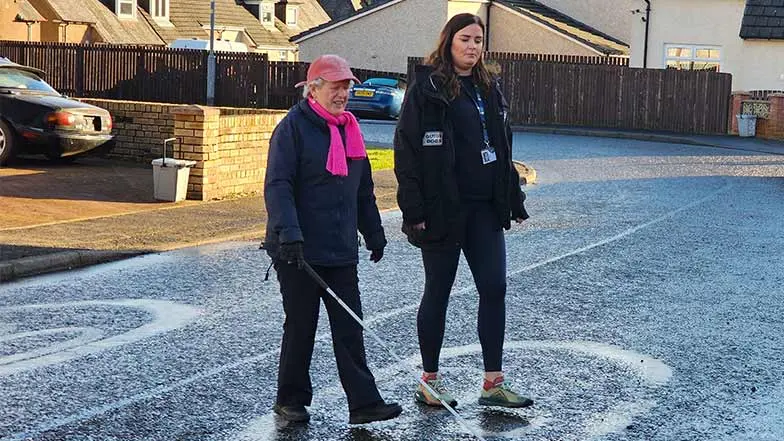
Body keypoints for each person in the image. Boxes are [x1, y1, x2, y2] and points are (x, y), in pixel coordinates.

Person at [393, 13, 532, 409]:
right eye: (465, 39)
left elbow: (501, 147)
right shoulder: (429, 88)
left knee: (494, 288)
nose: (472, 46)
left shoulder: (489, 87)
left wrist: (513, 198)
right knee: (438, 292)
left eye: (478, 40)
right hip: (442, 210)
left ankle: (493, 383)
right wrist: (414, 208)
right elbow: (406, 148)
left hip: (485, 209)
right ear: (449, 42)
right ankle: (430, 381)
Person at [263, 54, 402, 425]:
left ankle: (364, 404)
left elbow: (362, 192)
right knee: (301, 325)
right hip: (299, 251)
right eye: (336, 86)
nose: (343, 93)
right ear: (314, 89)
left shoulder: (350, 129)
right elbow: (278, 186)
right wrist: (289, 234)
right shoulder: (292, 129)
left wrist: (374, 233)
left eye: (347, 86)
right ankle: (290, 400)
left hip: (340, 248)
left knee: (349, 325)